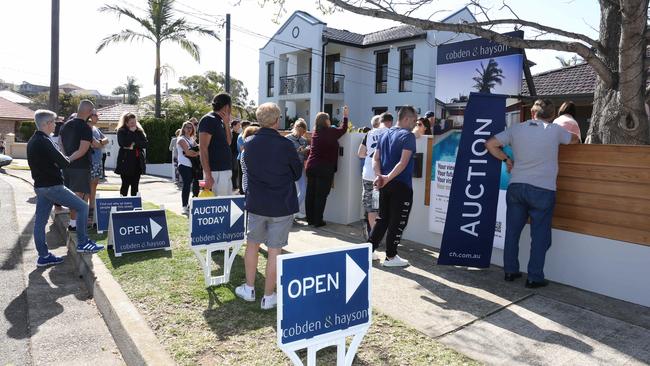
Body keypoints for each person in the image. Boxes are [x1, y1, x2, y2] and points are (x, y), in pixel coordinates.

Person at [486, 99, 580, 288]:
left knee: (512, 232)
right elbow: (575, 139)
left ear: (532, 113)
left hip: (516, 187)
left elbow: (490, 144)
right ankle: (534, 277)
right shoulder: (554, 130)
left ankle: (510, 272)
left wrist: (506, 159)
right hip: (543, 190)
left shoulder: (517, 129)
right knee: (539, 237)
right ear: (552, 115)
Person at [235, 102, 302, 310]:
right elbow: (297, 173)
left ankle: (249, 288)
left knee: (252, 244)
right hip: (281, 205)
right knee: (275, 251)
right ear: (277, 120)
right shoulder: (285, 145)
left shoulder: (249, 144)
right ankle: (269, 296)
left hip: (257, 203)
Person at [27, 109, 104, 267]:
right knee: (82, 207)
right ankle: (83, 243)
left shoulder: (33, 140)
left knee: (40, 223)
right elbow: (63, 162)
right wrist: (70, 156)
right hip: (52, 186)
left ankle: (43, 256)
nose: (55, 125)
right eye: (53, 122)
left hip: (41, 187)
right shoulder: (45, 141)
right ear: (47, 124)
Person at [367, 106, 418, 267]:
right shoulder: (408, 136)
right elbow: (403, 163)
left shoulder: (385, 133)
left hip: (385, 184)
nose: (415, 123)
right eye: (414, 120)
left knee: (382, 219)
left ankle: (368, 252)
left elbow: (375, 159)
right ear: (407, 119)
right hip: (400, 185)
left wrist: (379, 176)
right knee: (398, 221)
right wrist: (386, 178)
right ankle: (390, 256)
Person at [305, 106, 349, 227]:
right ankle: (318, 221)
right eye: (328, 119)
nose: (330, 121)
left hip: (311, 166)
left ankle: (310, 219)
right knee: (321, 195)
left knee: (311, 194)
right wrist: (345, 116)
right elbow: (343, 129)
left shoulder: (315, 132)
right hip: (324, 168)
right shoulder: (330, 131)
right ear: (325, 121)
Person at [59, 100, 94, 232]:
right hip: (80, 167)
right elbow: (83, 150)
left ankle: (74, 222)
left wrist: (65, 159)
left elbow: (60, 144)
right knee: (78, 196)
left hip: (67, 167)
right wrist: (69, 159)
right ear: (89, 112)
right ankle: (74, 224)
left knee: (71, 196)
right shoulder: (86, 128)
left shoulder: (65, 125)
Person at [358, 113, 393, 239]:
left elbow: (360, 153)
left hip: (368, 175)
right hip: (384, 176)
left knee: (371, 208)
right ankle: (382, 235)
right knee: (382, 206)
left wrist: (369, 154)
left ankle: (374, 236)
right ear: (390, 122)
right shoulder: (391, 133)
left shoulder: (370, 133)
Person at [199, 93, 233, 196]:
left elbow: (228, 142)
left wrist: (227, 124)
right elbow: (203, 148)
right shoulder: (208, 119)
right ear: (227, 106)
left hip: (225, 171)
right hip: (214, 173)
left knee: (226, 207)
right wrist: (208, 175)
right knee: (217, 207)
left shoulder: (222, 121)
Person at [115, 112, 148, 196]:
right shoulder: (121, 131)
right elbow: (123, 143)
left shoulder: (139, 131)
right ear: (126, 123)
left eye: (135, 122)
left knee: (135, 187)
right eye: (131, 122)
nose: (134, 124)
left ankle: (135, 207)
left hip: (137, 163)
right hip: (125, 162)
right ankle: (123, 205)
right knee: (125, 185)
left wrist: (133, 144)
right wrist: (130, 133)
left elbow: (145, 144)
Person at [285, 118, 310, 218]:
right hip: (289, 168)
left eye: (303, 131)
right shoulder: (287, 138)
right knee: (289, 192)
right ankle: (289, 213)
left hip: (300, 167)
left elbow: (304, 155)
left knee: (303, 191)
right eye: (300, 131)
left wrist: (305, 151)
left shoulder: (304, 140)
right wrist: (297, 151)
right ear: (295, 128)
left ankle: (294, 211)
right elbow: (284, 154)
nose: (301, 133)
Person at [88, 109, 109, 225]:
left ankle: (92, 208)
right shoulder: (86, 129)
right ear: (90, 116)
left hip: (97, 161)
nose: (98, 118)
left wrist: (100, 143)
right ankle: (87, 212)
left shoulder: (96, 129)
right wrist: (100, 143)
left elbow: (106, 140)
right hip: (90, 162)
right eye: (97, 115)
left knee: (94, 184)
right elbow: (94, 144)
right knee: (88, 186)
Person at [177, 121, 200, 214]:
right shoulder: (181, 139)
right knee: (186, 185)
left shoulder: (192, 139)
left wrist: (196, 152)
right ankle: (184, 206)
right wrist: (197, 152)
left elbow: (198, 149)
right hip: (184, 165)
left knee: (195, 184)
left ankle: (194, 203)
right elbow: (188, 152)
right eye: (187, 127)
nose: (189, 129)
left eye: (191, 127)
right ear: (183, 128)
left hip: (193, 166)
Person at [236, 120, 251, 194]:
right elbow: (242, 149)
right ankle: (241, 191)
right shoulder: (241, 136)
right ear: (244, 127)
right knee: (242, 175)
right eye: (248, 126)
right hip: (241, 158)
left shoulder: (246, 136)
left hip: (246, 158)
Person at [230, 119, 242, 191]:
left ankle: (235, 185)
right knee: (234, 170)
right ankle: (234, 186)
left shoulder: (238, 134)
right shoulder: (230, 134)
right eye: (238, 125)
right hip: (232, 154)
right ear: (233, 126)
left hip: (236, 154)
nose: (239, 126)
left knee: (236, 170)